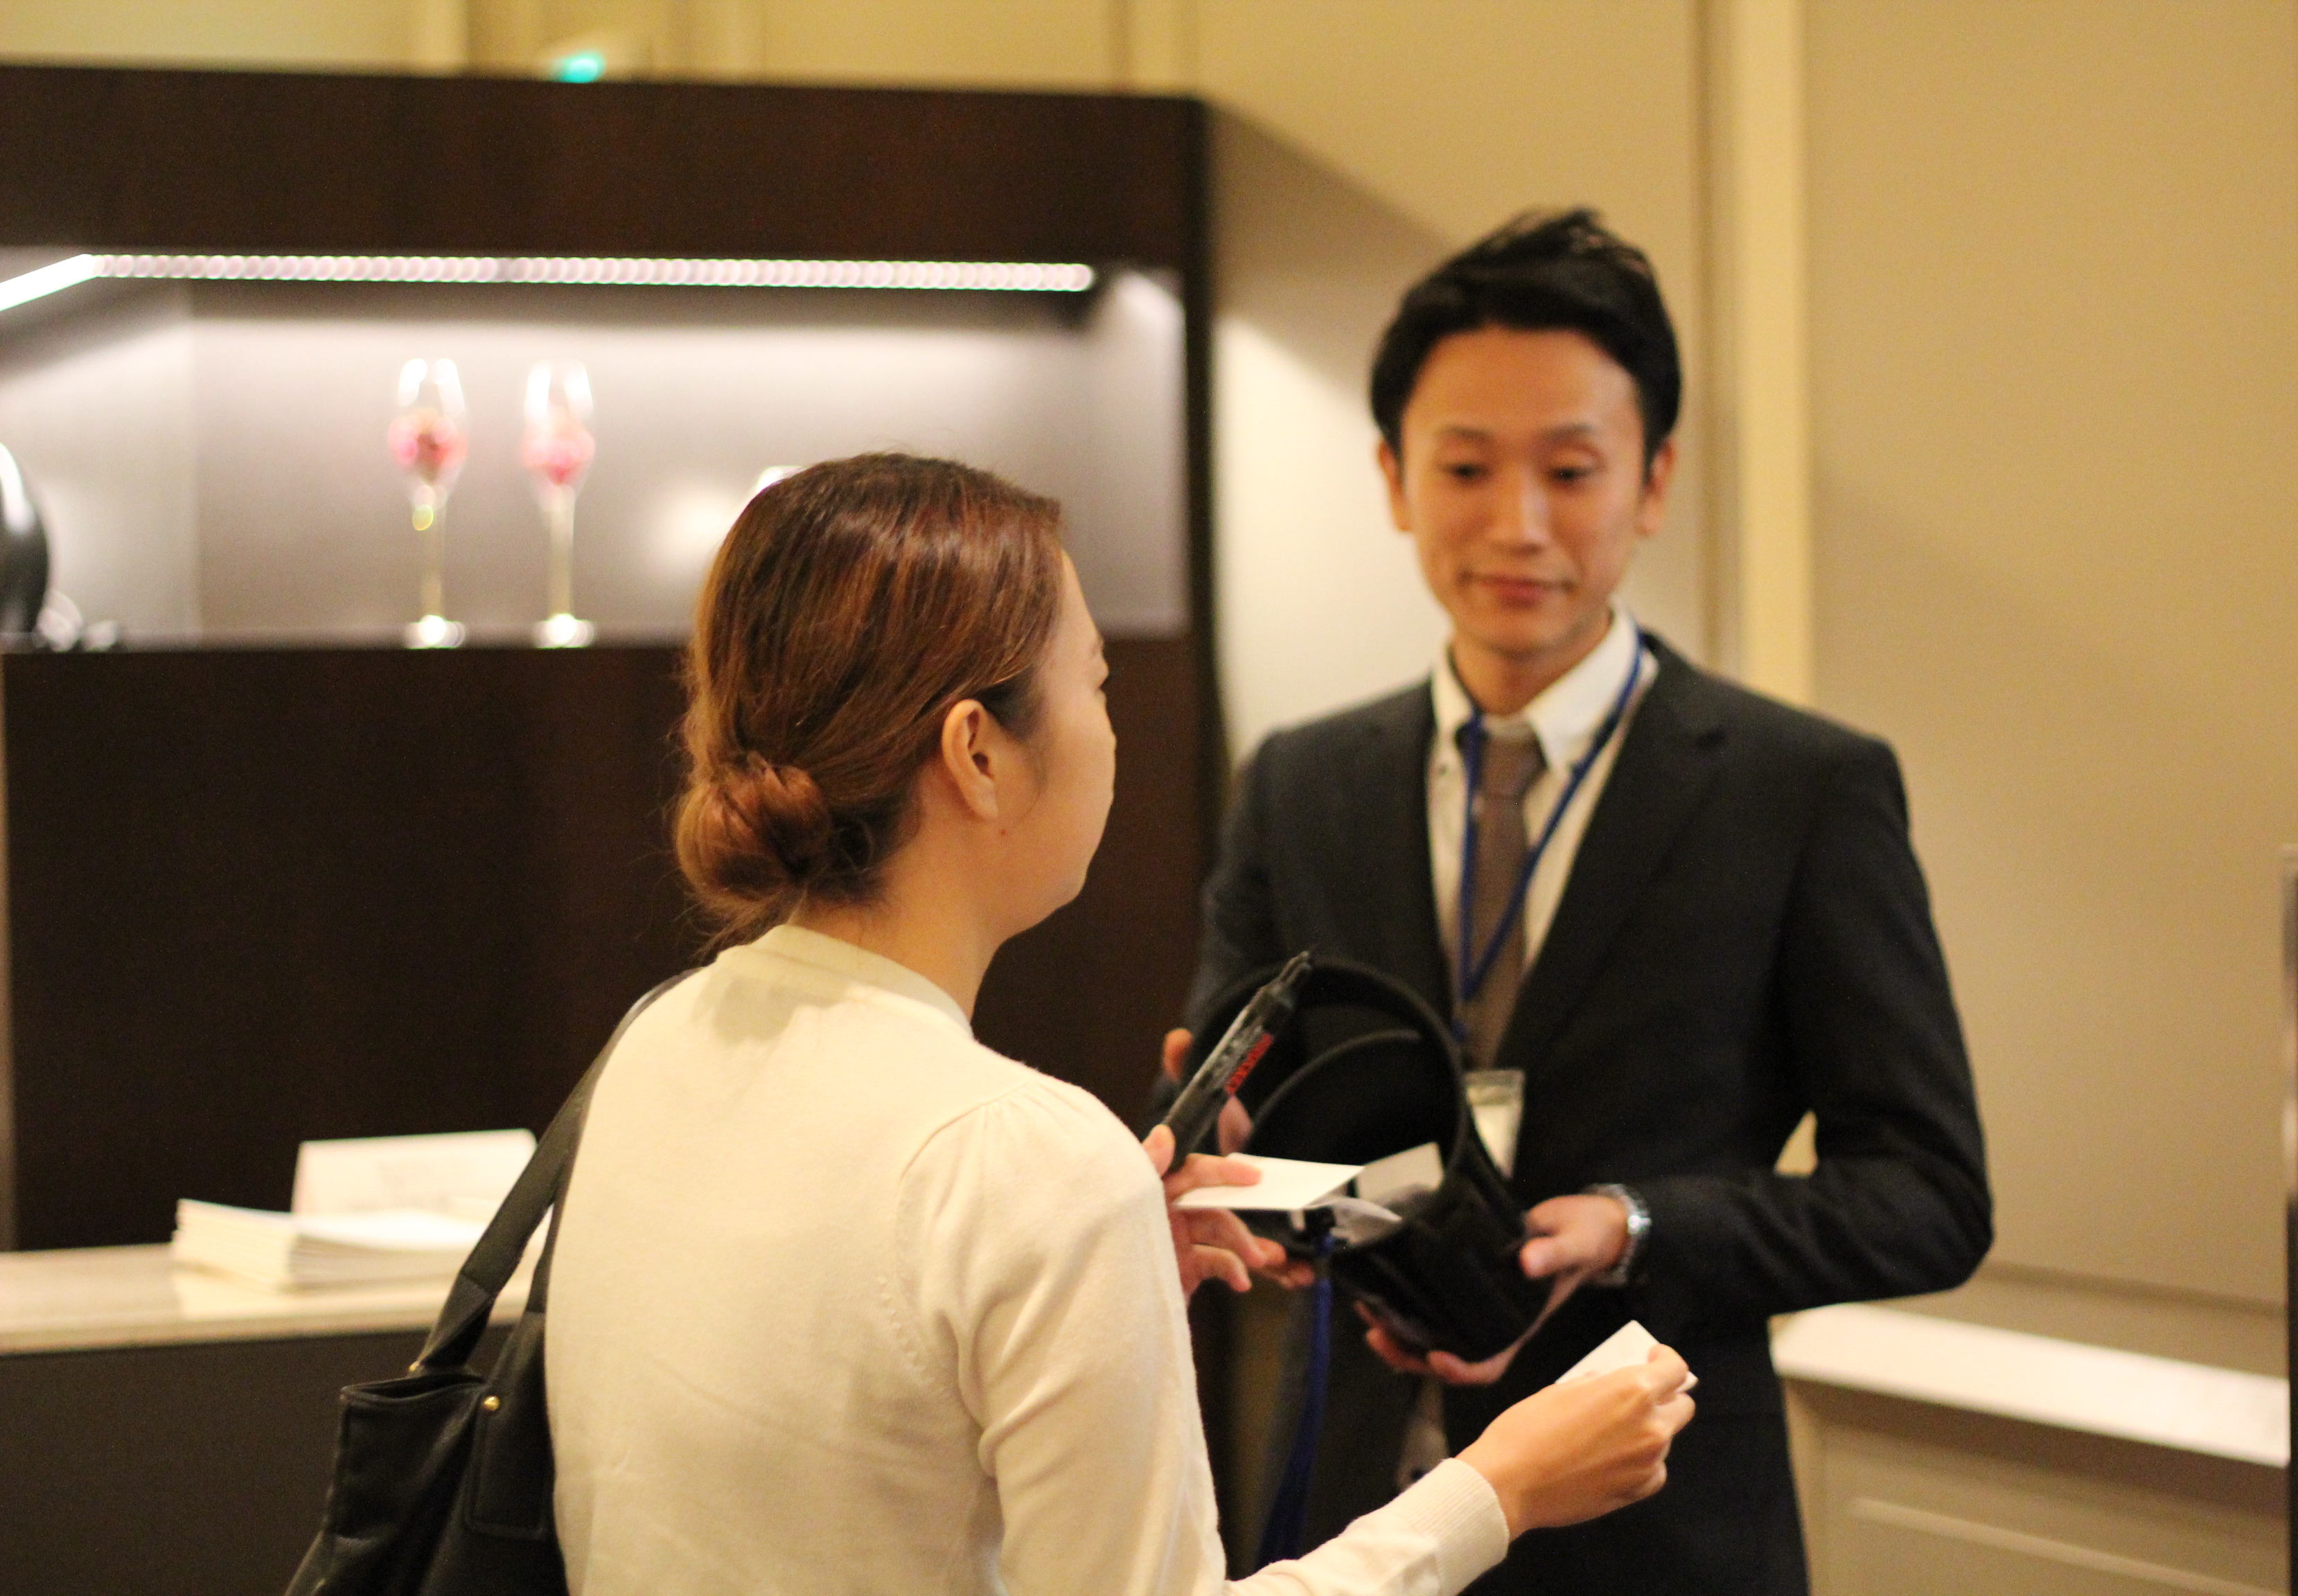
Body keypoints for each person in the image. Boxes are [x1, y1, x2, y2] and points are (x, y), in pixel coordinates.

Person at [543, 452, 1696, 1595]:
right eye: (1094, 683)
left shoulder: (658, 1045)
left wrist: (1084, 1297)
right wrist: (1500, 1489)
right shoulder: (1029, 1163)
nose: (1109, 729)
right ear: (979, 754)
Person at [1170, 212, 1992, 1594]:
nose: (1519, 524)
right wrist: (1227, 1154)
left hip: (1660, 1530)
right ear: (1393, 478)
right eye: (1466, 468)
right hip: (1353, 1512)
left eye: (1570, 470)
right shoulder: (1300, 779)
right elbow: (1232, 1072)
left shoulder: (1801, 789)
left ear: (1653, 481)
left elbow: (1928, 1196)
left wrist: (1639, 1223)